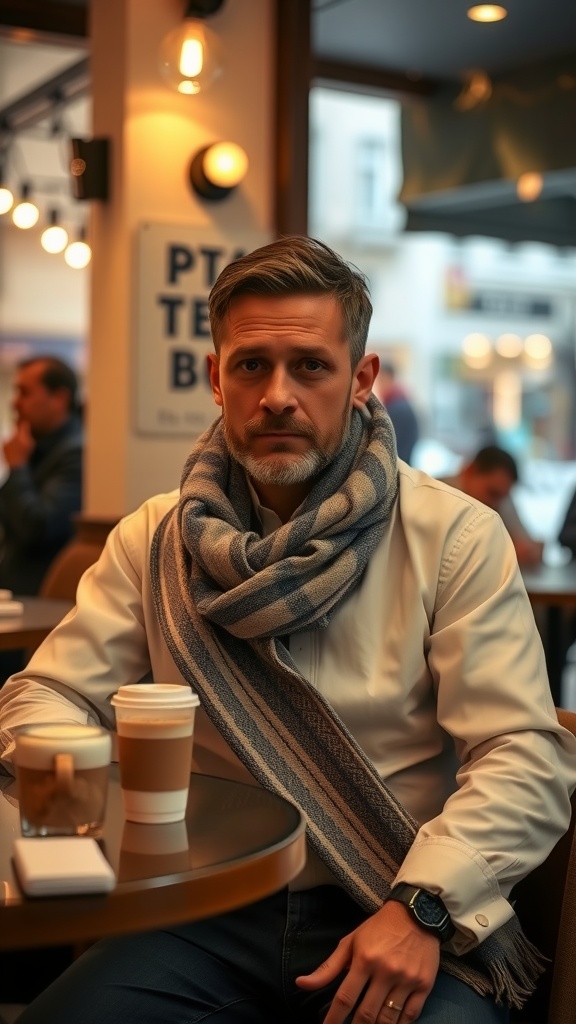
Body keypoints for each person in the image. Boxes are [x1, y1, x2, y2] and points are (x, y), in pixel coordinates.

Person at [0, 236, 575, 1024]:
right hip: (198, 912)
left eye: (310, 366)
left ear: (361, 380)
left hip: (394, 902)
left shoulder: (455, 537)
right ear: (216, 380)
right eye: (250, 366)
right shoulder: (154, 539)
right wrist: (83, 807)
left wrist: (423, 910)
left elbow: (523, 757)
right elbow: (48, 693)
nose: (277, 395)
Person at [0, 356, 83, 681]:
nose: (15, 402)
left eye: (24, 392)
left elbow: (38, 526)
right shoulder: (36, 448)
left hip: (43, 611)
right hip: (20, 604)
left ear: (59, 398)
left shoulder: (76, 454)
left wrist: (17, 468)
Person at [439, 445, 543, 568]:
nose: (495, 503)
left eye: (503, 496)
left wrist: (531, 550)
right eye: (492, 493)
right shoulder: (436, 495)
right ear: (469, 471)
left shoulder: (500, 498)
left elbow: (526, 543)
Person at [374, 360, 419, 464]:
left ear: (390, 378)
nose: (379, 385)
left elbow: (392, 444)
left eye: (381, 380)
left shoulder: (397, 407)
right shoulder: (400, 400)